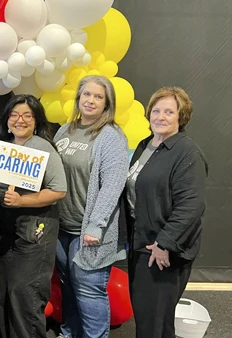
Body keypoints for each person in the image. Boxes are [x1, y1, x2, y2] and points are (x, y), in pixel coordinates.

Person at [126, 87, 208, 338]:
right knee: (148, 318)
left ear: (181, 117)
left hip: (163, 252)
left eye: (169, 112)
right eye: (157, 110)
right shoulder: (145, 146)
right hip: (141, 243)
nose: (160, 116)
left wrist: (165, 243)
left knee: (155, 324)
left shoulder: (187, 153)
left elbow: (191, 205)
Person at [53, 75, 129, 338]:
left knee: (89, 291)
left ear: (107, 103)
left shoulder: (111, 137)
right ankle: (68, 333)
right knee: (68, 288)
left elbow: (113, 184)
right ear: (78, 98)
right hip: (61, 228)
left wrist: (95, 226)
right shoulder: (65, 130)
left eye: (98, 96)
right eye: (87, 94)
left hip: (89, 232)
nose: (91, 100)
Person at [0, 94, 67, 338]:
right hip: (6, 229)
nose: (19, 120)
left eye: (27, 115)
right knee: (4, 293)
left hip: (36, 229)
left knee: (26, 295)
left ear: (36, 120)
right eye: (14, 114)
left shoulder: (43, 148)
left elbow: (59, 190)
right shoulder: (4, 146)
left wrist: (22, 200)